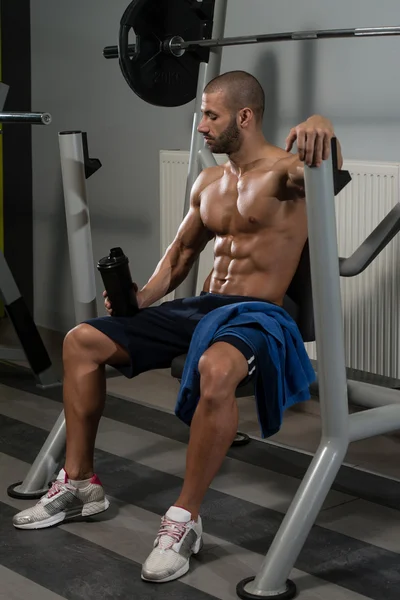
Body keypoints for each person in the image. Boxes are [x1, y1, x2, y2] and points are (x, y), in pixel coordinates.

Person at [13, 70, 342, 583]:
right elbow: (183, 254)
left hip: (258, 314)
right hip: (206, 305)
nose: (201, 127)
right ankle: (79, 485)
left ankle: (183, 520)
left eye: (211, 115)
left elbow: (328, 171)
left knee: (214, 368)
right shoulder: (208, 181)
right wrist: (138, 298)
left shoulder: (287, 173)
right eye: (201, 116)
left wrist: (324, 127)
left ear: (245, 117)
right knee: (82, 342)